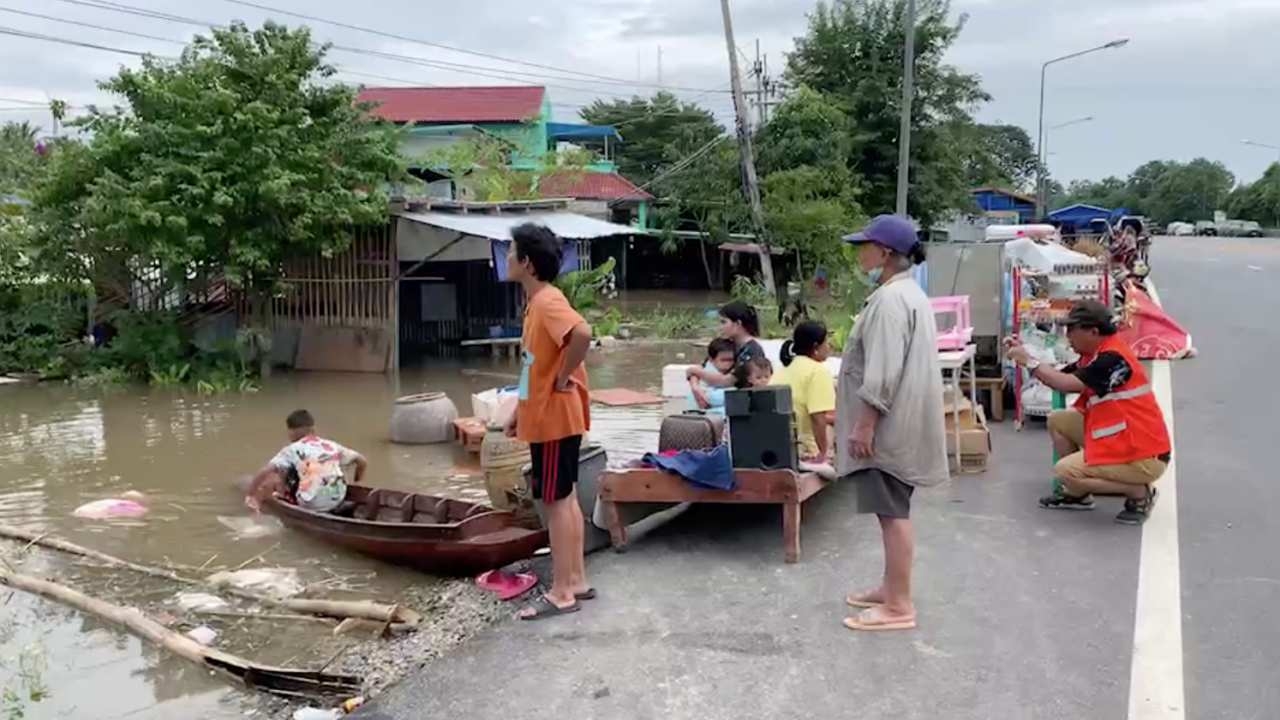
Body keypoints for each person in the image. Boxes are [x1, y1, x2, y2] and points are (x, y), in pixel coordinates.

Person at [836, 214, 949, 632]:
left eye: (863, 246)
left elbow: (882, 374)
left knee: (891, 512)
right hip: (901, 419)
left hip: (888, 426)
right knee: (891, 509)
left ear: (884, 253)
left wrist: (864, 425)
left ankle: (899, 606)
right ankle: (890, 587)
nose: (858, 252)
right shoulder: (907, 293)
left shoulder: (888, 301)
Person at [1005, 299, 1170, 524]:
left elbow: (1064, 383)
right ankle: (1078, 494)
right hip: (1124, 436)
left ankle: (1139, 492)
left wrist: (1029, 362)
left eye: (1072, 331)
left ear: (1093, 331)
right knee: (1058, 420)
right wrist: (1025, 355)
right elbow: (1058, 375)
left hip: (1143, 453)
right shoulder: (1097, 353)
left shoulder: (1113, 359)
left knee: (1065, 471)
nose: (1068, 337)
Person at [502, 223, 595, 620]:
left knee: (556, 502)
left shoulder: (547, 302)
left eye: (510, 252)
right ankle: (575, 581)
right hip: (548, 416)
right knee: (565, 498)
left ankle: (561, 593)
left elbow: (583, 333)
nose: (506, 258)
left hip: (554, 418)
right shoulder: (536, 304)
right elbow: (531, 365)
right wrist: (516, 410)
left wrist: (562, 377)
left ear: (526, 262)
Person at [244, 409, 367, 514]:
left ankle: (284, 498)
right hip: (339, 496)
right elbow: (362, 461)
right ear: (313, 428)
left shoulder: (292, 449)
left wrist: (250, 495)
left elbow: (265, 470)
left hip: (311, 502)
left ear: (291, 431)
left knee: (281, 470)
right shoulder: (330, 445)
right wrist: (357, 481)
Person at [776, 321, 836, 462]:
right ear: (816, 346)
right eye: (826, 342)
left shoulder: (784, 369)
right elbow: (817, 417)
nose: (829, 347)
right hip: (804, 448)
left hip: (780, 445)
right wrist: (823, 453)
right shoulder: (817, 371)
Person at [686, 301, 766, 401]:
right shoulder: (727, 345)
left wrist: (693, 371)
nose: (720, 327)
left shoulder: (752, 350)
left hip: (743, 400)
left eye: (724, 322)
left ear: (737, 324)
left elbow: (726, 381)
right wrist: (695, 387)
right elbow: (704, 366)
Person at [686, 338, 736, 415]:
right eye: (724, 360)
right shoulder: (708, 371)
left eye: (731, 360)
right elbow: (710, 398)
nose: (728, 364)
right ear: (712, 359)